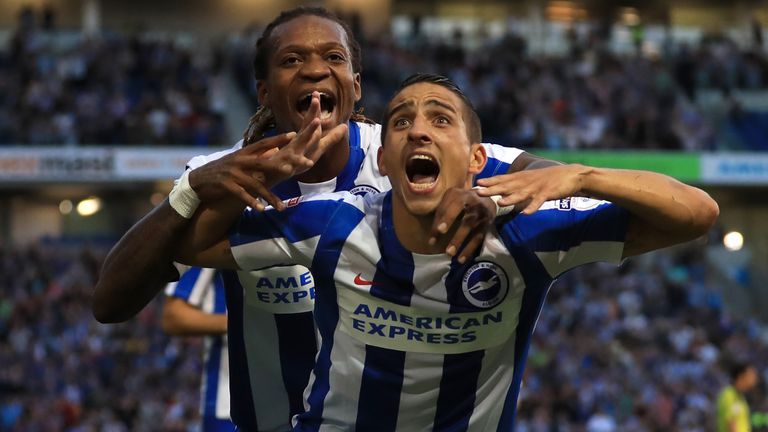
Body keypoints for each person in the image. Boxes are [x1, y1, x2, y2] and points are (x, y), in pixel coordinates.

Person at [92, 7, 557, 430]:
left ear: (355, 86)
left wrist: (495, 201)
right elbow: (111, 303)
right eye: (292, 60)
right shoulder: (226, 176)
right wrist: (190, 190)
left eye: (333, 57)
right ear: (264, 91)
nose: (315, 69)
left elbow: (549, 177)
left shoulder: (399, 149)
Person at [177, 73, 719, 430]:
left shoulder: (527, 235)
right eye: (401, 122)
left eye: (440, 119)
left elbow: (697, 212)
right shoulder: (333, 224)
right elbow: (196, 244)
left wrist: (579, 175)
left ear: (478, 157)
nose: (418, 132)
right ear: (384, 160)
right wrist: (253, 168)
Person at [162, 268, 235, 432]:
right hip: (227, 403)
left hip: (293, 393)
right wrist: (242, 323)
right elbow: (174, 315)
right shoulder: (218, 242)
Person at [717, 362, 759, 432]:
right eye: (751, 375)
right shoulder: (729, 395)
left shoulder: (740, 397)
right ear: (741, 376)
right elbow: (731, 423)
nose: (754, 378)